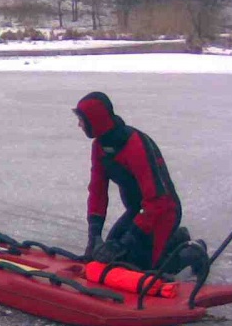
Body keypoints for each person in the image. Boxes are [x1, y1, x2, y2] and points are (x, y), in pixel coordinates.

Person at [74, 91, 198, 272]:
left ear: (96, 121)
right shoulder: (99, 147)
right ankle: (177, 238)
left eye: (82, 120)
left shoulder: (135, 145)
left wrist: (127, 241)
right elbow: (97, 192)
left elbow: (158, 201)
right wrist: (94, 235)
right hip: (138, 211)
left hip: (163, 212)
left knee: (145, 270)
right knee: (110, 258)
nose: (79, 125)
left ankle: (193, 252)